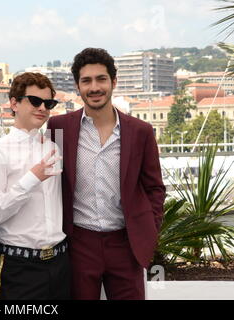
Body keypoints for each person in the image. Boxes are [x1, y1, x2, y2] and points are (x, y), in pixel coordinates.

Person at [47, 48, 166, 300]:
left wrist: (148, 229)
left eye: (101, 79)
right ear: (77, 86)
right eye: (86, 81)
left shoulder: (140, 132)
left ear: (113, 81)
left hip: (126, 244)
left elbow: (155, 188)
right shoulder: (58, 128)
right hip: (78, 244)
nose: (94, 87)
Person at [0, 72, 70, 300]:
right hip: (20, 267)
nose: (42, 107)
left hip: (61, 262)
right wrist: (31, 179)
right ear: (14, 103)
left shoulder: (53, 147)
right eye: (34, 101)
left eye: (48, 103)